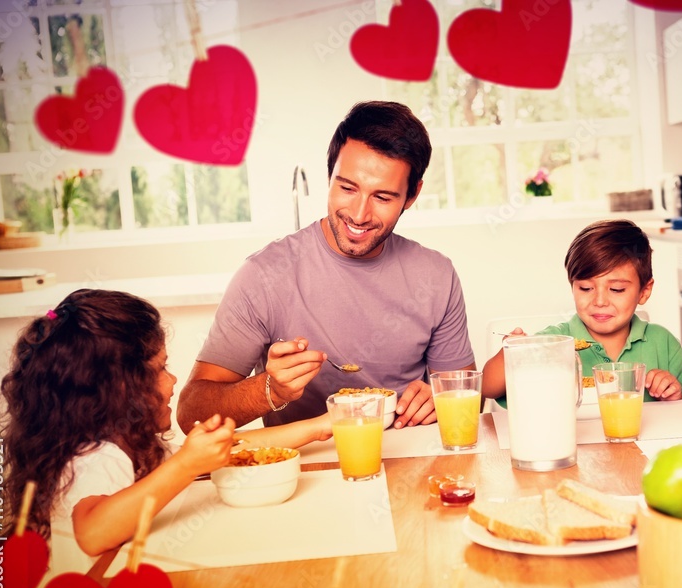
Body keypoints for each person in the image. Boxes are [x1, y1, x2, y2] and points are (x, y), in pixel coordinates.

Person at [177, 101, 476, 433]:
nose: (359, 215)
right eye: (347, 188)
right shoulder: (263, 276)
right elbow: (192, 416)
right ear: (329, 175)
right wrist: (270, 390)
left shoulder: (435, 275)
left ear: (412, 195)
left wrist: (440, 396)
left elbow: (464, 392)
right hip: (309, 466)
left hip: (410, 460)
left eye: (383, 197)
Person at [0, 289, 333, 573]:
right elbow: (93, 533)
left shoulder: (132, 443)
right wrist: (186, 464)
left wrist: (319, 427)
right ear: (116, 389)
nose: (172, 381)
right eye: (160, 369)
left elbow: (233, 445)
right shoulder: (95, 456)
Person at [482, 219, 682, 403]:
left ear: (644, 291)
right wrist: (511, 354)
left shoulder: (662, 343)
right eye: (586, 288)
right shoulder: (553, 345)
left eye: (616, 289)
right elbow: (488, 389)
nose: (599, 301)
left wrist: (675, 397)